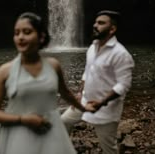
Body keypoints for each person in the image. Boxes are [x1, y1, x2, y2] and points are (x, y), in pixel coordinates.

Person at [0, 12, 95, 154]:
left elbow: (66, 93)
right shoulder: (4, 71)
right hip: (17, 133)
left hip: (51, 130)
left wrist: (83, 108)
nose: (20, 37)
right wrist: (23, 119)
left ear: (41, 36)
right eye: (16, 33)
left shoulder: (53, 65)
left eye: (27, 32)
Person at [61, 10, 135, 154]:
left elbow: (124, 85)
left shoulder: (121, 54)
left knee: (108, 148)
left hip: (106, 109)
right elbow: (87, 72)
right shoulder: (92, 47)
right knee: (63, 122)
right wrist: (79, 93)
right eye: (95, 22)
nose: (95, 25)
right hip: (84, 101)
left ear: (112, 29)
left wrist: (101, 102)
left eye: (101, 23)